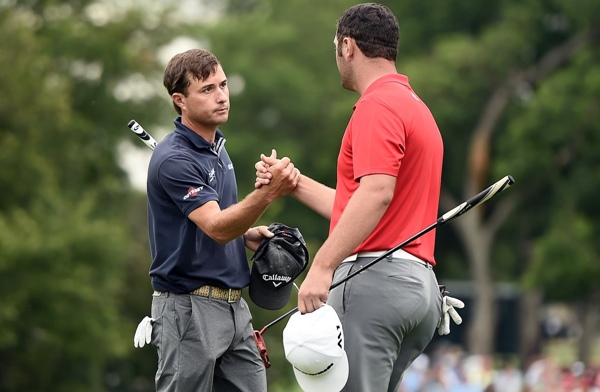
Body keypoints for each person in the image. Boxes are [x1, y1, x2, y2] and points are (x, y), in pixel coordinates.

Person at [255, 4, 460, 391]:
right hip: (420, 289)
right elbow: (359, 207)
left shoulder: (376, 105)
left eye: (335, 47)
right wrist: (293, 182)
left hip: (375, 283)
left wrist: (323, 265)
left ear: (348, 46)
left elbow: (377, 194)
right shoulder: (415, 106)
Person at [142, 48, 299, 392]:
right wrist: (269, 193)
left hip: (233, 307)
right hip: (187, 308)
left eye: (223, 85)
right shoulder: (174, 159)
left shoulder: (218, 149)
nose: (222, 97)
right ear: (180, 100)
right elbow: (215, 227)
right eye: (207, 90)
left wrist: (246, 234)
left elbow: (222, 221)